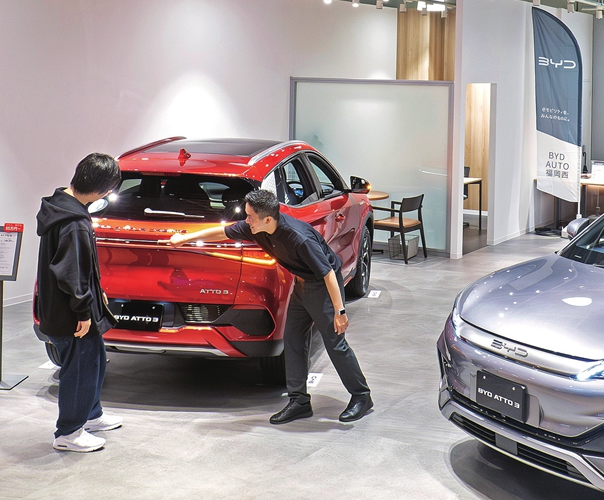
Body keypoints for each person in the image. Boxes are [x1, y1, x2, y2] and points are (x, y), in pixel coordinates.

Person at [170, 189, 373, 425]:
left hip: (324, 288)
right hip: (302, 285)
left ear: (267, 219)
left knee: (335, 344)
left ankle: (361, 396)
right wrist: (184, 238)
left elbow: (328, 273)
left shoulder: (299, 237)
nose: (246, 221)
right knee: (294, 340)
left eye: (250, 217)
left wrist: (340, 312)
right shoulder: (257, 227)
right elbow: (223, 231)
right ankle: (299, 401)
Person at [35, 153, 122, 453]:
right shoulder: (74, 222)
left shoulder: (60, 205)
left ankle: (91, 414)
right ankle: (69, 432)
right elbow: (70, 273)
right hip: (70, 313)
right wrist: (83, 310)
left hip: (68, 306)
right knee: (80, 367)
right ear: (102, 190)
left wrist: (96, 296)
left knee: (94, 359)